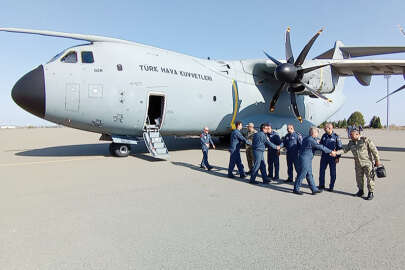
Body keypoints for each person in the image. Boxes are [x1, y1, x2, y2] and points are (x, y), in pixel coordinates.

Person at [336, 129, 380, 200]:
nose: (350, 136)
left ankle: (370, 192)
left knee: (370, 178)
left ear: (357, 134)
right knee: (359, 178)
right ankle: (360, 191)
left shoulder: (365, 140)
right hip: (358, 164)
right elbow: (345, 150)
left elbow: (374, 150)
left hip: (367, 163)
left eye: (351, 135)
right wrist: (336, 153)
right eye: (350, 135)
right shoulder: (351, 143)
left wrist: (377, 160)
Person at [293, 127, 336, 195]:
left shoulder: (308, 138)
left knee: (309, 174)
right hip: (305, 159)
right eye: (317, 133)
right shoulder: (310, 140)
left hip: (307, 159)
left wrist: (317, 140)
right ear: (314, 133)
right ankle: (296, 188)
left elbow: (317, 142)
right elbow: (320, 147)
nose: (318, 134)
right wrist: (331, 151)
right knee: (302, 174)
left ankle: (314, 189)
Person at [318, 123, 342, 192]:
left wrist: (338, 157)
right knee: (322, 171)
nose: (324, 129)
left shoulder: (336, 136)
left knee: (332, 172)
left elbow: (340, 148)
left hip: (332, 157)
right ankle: (321, 185)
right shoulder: (324, 135)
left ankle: (331, 186)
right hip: (324, 157)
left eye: (325, 128)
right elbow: (321, 144)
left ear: (330, 128)